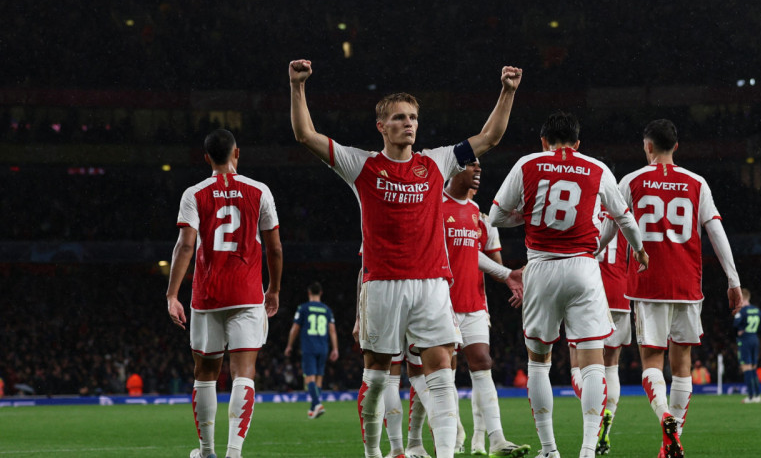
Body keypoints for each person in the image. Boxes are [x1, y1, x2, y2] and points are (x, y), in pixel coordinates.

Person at [289, 59, 522, 458]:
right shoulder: (361, 164)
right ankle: (375, 453)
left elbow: (491, 136)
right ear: (381, 126)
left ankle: (444, 455)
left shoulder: (436, 161)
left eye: (413, 117)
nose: (408, 123)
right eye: (399, 118)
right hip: (381, 284)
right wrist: (297, 87)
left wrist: (508, 91)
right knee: (378, 378)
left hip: (432, 284)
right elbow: (305, 135)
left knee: (442, 375)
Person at [489, 111, 648, 458]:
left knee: (539, 363)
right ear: (578, 143)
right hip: (583, 269)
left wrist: (526, 214)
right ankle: (588, 450)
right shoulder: (596, 167)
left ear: (543, 141)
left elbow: (496, 216)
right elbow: (624, 218)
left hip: (541, 267)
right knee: (594, 364)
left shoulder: (528, 164)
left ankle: (549, 450)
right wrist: (639, 250)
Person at [620, 119, 743, 458]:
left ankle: (665, 418)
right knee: (683, 362)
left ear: (648, 147)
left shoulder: (631, 181)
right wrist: (733, 279)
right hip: (687, 283)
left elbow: (609, 229)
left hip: (648, 284)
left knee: (651, 360)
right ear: (676, 146)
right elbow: (716, 232)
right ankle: (671, 443)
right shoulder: (697, 183)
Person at [166, 129, 283, 458]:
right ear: (237, 153)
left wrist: (172, 294)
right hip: (247, 294)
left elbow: (186, 245)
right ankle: (234, 452)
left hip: (208, 294)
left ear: (206, 158)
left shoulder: (194, 193)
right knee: (244, 372)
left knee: (205, 373)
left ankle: (207, 452)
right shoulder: (259, 191)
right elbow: (274, 248)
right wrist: (273, 289)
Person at [440, 160, 530, 458]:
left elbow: (494, 263)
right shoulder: (434, 207)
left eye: (481, 166)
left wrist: (510, 281)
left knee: (482, 362)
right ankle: (454, 434)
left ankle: (495, 438)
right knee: (444, 373)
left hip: (474, 302)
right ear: (453, 169)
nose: (478, 170)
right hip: (439, 303)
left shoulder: (482, 218)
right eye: (470, 165)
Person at [594, 215, 635, 455]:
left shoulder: (586, 205)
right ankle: (606, 432)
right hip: (621, 293)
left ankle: (595, 421)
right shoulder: (623, 214)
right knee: (612, 365)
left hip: (591, 292)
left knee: (582, 365)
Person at [284, 282, 340, 418]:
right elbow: (332, 330)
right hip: (323, 347)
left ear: (309, 293)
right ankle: (313, 409)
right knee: (319, 378)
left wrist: (289, 345)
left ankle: (317, 403)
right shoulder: (326, 309)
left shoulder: (303, 308)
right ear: (321, 293)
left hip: (309, 347)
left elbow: (295, 328)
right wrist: (335, 349)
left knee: (309, 378)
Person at [732, 288, 761, 403]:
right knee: (753, 368)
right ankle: (757, 395)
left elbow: (735, 324)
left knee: (746, 368)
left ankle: (751, 396)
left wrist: (741, 329)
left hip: (746, 340)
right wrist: (758, 329)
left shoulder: (742, 311)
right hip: (755, 338)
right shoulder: (756, 310)